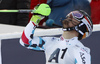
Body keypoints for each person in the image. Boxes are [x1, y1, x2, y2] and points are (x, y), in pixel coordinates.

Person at [19, 3, 93, 64]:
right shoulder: (50, 42)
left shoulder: (80, 51)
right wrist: (36, 18)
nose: (70, 16)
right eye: (70, 14)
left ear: (82, 27)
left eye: (76, 16)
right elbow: (25, 41)